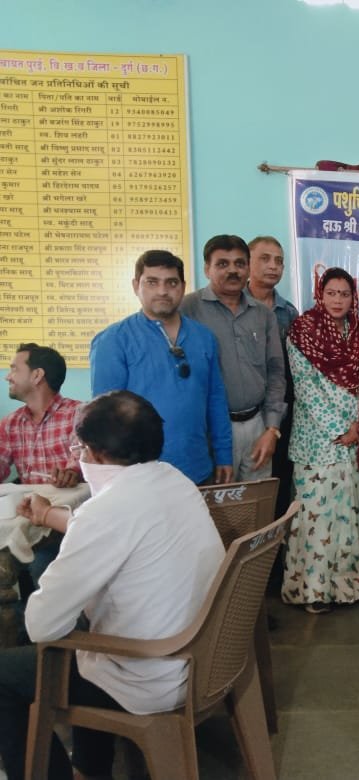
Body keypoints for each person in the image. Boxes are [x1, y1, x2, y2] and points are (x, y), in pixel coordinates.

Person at [0, 390, 224, 780]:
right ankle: (90, 767)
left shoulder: (105, 512)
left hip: (150, 676)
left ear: (97, 454)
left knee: (8, 675)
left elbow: (42, 625)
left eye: (80, 449)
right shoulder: (175, 480)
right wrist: (54, 516)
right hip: (206, 657)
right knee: (86, 633)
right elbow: (122, 528)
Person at [91, 249, 233, 484]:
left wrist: (224, 455)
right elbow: (104, 417)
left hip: (197, 469)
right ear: (136, 286)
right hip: (137, 475)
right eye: (152, 282)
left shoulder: (204, 337)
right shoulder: (113, 340)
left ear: (183, 287)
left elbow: (215, 400)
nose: (162, 291)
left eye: (171, 283)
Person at [281, 268, 359, 613]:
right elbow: (305, 388)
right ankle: (313, 591)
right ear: (320, 295)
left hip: (352, 437)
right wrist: (339, 429)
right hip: (316, 440)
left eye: (344, 294)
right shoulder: (303, 330)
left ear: (353, 298)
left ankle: (347, 588)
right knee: (315, 516)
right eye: (331, 293)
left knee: (346, 513)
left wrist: (357, 426)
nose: (337, 300)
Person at [182, 234, 286, 482]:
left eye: (239, 264)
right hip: (209, 429)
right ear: (207, 268)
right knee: (214, 502)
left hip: (257, 426)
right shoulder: (187, 309)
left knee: (257, 503)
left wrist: (272, 429)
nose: (232, 270)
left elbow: (275, 372)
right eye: (222, 264)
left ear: (248, 268)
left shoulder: (263, 314)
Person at [247, 235, 300, 517]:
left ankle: (276, 546)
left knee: (277, 487)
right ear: (248, 263)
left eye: (279, 261)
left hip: (280, 414)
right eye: (265, 259)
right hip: (242, 412)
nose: (273, 266)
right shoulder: (234, 306)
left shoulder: (289, 313)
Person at [1, 344, 80, 488]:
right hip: (28, 502)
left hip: (72, 500)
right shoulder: (10, 424)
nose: (7, 377)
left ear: (37, 375)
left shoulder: (79, 414)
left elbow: (82, 458)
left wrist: (71, 473)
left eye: (14, 369)